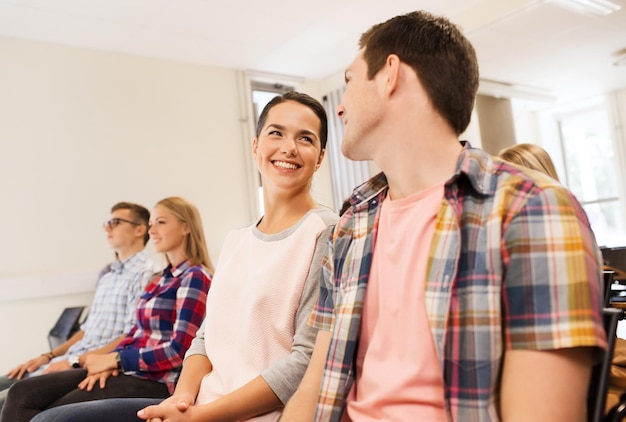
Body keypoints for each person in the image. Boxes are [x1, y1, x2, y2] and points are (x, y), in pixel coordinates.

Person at [282, 10, 606, 421]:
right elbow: (314, 387)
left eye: (349, 81)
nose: (340, 108)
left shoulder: (531, 210)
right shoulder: (350, 225)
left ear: (390, 75)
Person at [30, 91, 339, 422]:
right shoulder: (237, 239)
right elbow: (205, 337)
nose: (288, 147)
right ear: (255, 146)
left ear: (320, 157)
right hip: (194, 404)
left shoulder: (327, 231)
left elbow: (306, 360)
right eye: (276, 133)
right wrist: (180, 401)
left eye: (304, 138)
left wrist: (198, 416)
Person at [1, 197, 213, 421]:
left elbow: (179, 351)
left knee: (47, 415)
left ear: (186, 227)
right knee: (21, 393)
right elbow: (134, 333)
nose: (152, 230)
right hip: (129, 370)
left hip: (156, 379)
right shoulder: (159, 279)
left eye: (161, 222)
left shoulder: (195, 277)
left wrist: (117, 361)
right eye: (151, 224)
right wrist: (109, 362)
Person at [0, 201, 156, 411]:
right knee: (4, 383)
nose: (108, 228)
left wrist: (75, 361)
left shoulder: (148, 274)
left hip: (92, 362)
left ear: (140, 229)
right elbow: (86, 329)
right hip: (72, 357)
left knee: (8, 400)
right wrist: (48, 356)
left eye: (116, 222)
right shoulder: (108, 275)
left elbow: (132, 335)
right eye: (107, 223)